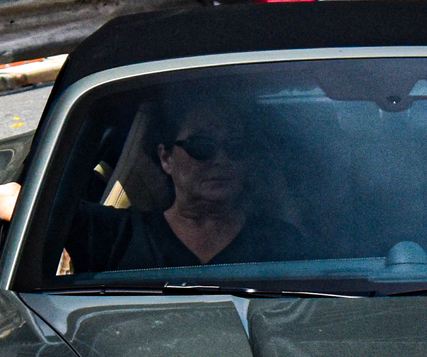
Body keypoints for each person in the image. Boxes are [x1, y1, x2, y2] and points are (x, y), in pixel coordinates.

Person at [59, 98, 308, 275]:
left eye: (235, 146)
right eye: (201, 146)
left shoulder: (281, 242)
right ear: (166, 157)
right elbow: (33, 203)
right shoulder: (113, 235)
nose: (221, 159)